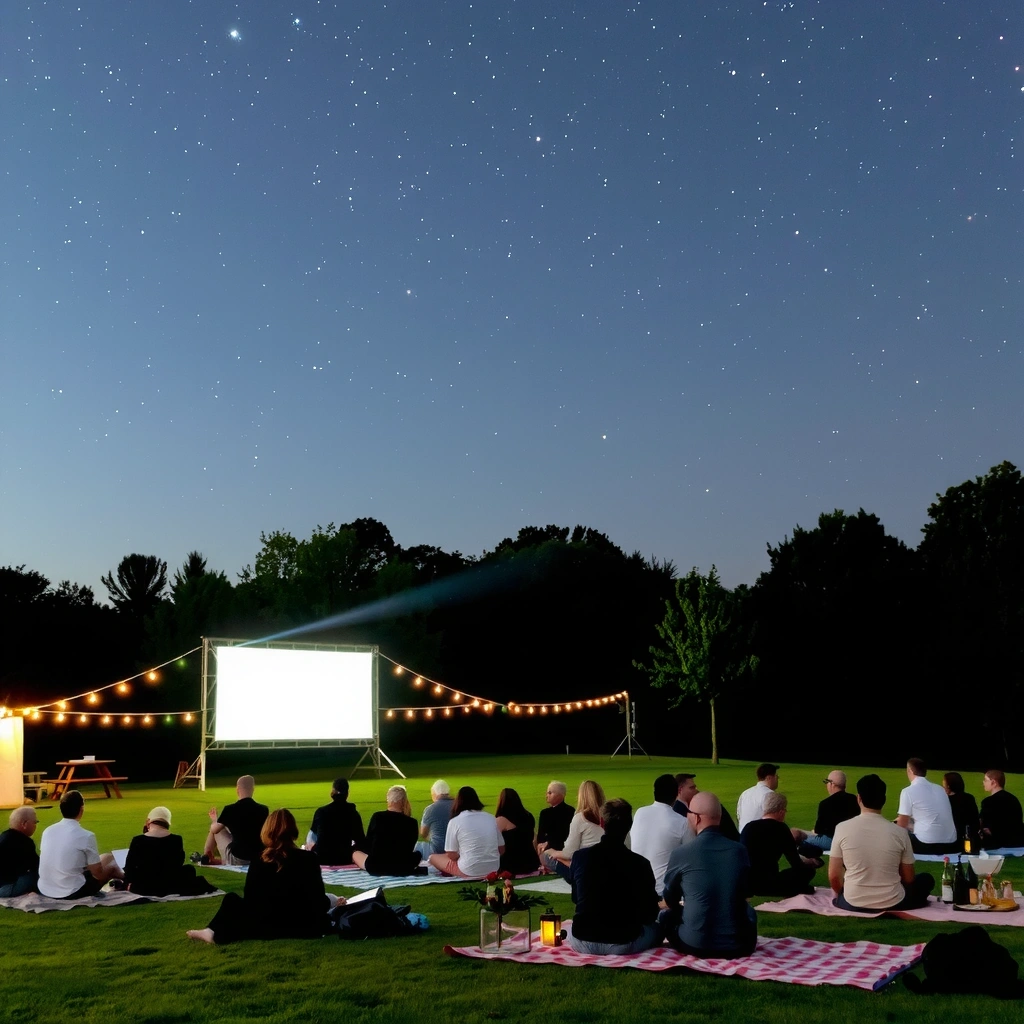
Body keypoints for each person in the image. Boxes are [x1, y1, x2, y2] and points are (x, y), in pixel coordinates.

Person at [187, 809, 336, 944]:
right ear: (293, 831)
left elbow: (251, 899)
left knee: (231, 900)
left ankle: (212, 931)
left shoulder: (260, 859)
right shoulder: (308, 858)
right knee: (330, 899)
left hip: (267, 923)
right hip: (302, 922)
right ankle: (211, 932)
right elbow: (317, 900)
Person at [661, 792, 757, 959]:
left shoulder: (682, 853)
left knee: (666, 916)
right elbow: (745, 892)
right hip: (739, 945)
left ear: (696, 818)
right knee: (749, 912)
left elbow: (670, 898)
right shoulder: (739, 851)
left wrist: (686, 911)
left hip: (695, 944)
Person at [568, 798, 663, 955]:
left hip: (582, 939)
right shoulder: (640, 864)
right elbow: (650, 913)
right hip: (623, 941)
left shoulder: (580, 857)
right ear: (629, 826)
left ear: (602, 823)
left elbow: (577, 898)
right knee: (660, 927)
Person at [830, 773, 935, 912]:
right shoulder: (900, 833)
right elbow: (908, 879)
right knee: (925, 880)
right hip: (893, 901)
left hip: (853, 900)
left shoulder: (842, 828)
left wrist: (843, 892)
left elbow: (834, 876)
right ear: (884, 800)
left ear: (859, 798)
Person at [38, 789, 124, 899]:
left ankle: (126, 880)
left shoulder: (48, 831)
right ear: (81, 809)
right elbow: (98, 874)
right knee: (112, 866)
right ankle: (131, 881)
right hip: (71, 891)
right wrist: (111, 871)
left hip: (46, 888)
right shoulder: (86, 836)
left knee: (107, 857)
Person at [124, 806, 215, 896]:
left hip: (146, 885)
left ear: (148, 822)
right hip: (169, 882)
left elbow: (130, 867)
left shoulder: (138, 840)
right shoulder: (176, 839)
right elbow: (178, 863)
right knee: (189, 869)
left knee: (138, 878)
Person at [740, 792, 817, 897]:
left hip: (748, 883)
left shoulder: (749, 827)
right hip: (770, 882)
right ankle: (795, 888)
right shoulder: (781, 829)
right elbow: (795, 862)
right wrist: (809, 863)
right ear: (781, 812)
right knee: (808, 871)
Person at [630, 773, 690, 893]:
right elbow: (691, 858)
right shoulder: (682, 822)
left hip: (636, 886)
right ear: (677, 793)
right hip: (662, 892)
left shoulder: (640, 813)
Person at [429, 786, 503, 878]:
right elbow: (501, 849)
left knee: (432, 858)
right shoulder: (491, 818)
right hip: (493, 869)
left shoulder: (455, 821)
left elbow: (451, 855)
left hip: (468, 871)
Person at [541, 780, 605, 880]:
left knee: (547, 856)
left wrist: (553, 853)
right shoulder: (610, 815)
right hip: (607, 863)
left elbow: (569, 853)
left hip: (587, 869)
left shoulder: (580, 817)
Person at [352, 785, 422, 876]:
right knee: (418, 854)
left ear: (388, 800)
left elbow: (368, 844)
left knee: (355, 853)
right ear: (404, 801)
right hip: (402, 867)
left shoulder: (377, 817)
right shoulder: (412, 822)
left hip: (376, 867)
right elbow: (410, 847)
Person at [202, 775, 270, 865]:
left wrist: (214, 820)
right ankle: (215, 859)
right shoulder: (264, 809)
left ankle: (207, 856)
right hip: (259, 857)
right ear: (253, 789)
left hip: (238, 857)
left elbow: (215, 829)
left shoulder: (230, 809)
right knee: (226, 829)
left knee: (215, 829)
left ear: (237, 790)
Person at [896, 758, 957, 853]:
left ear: (910, 771)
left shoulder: (907, 791)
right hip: (951, 843)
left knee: (894, 831)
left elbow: (901, 825)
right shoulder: (940, 789)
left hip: (926, 844)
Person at [795, 770, 861, 855]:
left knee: (798, 837)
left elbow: (819, 830)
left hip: (832, 841)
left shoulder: (825, 803)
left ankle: (808, 861)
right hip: (853, 840)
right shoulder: (855, 800)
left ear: (832, 784)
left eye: (827, 782)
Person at [308, 778, 365, 866]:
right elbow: (361, 841)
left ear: (333, 791)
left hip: (322, 858)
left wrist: (313, 847)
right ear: (347, 793)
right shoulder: (353, 813)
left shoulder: (321, 812)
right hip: (344, 858)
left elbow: (313, 835)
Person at [674, 772, 740, 840]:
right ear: (680, 790)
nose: (696, 790)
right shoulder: (678, 813)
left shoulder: (709, 806)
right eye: (692, 788)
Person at [494, 788, 540, 875]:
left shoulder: (501, 820)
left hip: (512, 864)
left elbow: (493, 843)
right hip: (531, 861)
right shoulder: (528, 816)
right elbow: (534, 839)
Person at [0, 806, 40, 897]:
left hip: (3, 885)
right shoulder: (25, 842)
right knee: (37, 875)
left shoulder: (3, 836)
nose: (35, 826)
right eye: (35, 822)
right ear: (24, 824)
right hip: (7, 888)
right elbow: (37, 866)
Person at [979, 770, 1024, 849]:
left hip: (997, 843)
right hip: (1016, 841)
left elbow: (982, 824)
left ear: (993, 782)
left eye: (986, 780)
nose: (983, 783)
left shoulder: (988, 802)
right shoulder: (1013, 799)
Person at [736, 763, 780, 832]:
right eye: (776, 776)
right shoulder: (770, 795)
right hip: (760, 838)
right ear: (769, 778)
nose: (777, 779)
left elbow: (739, 816)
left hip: (743, 837)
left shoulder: (745, 793)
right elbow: (775, 821)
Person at [535, 780, 575, 854]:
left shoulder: (569, 811)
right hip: (545, 849)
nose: (547, 796)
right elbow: (541, 835)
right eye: (547, 793)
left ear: (561, 795)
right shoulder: (544, 813)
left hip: (561, 849)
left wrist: (549, 843)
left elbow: (565, 833)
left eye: (550, 793)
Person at [417, 779, 454, 856]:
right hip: (457, 850)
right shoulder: (458, 806)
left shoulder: (430, 809)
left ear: (434, 793)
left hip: (437, 850)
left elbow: (423, 833)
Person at [942, 771, 980, 845]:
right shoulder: (969, 798)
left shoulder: (945, 800)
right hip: (969, 836)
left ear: (948, 786)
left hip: (952, 838)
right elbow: (975, 820)